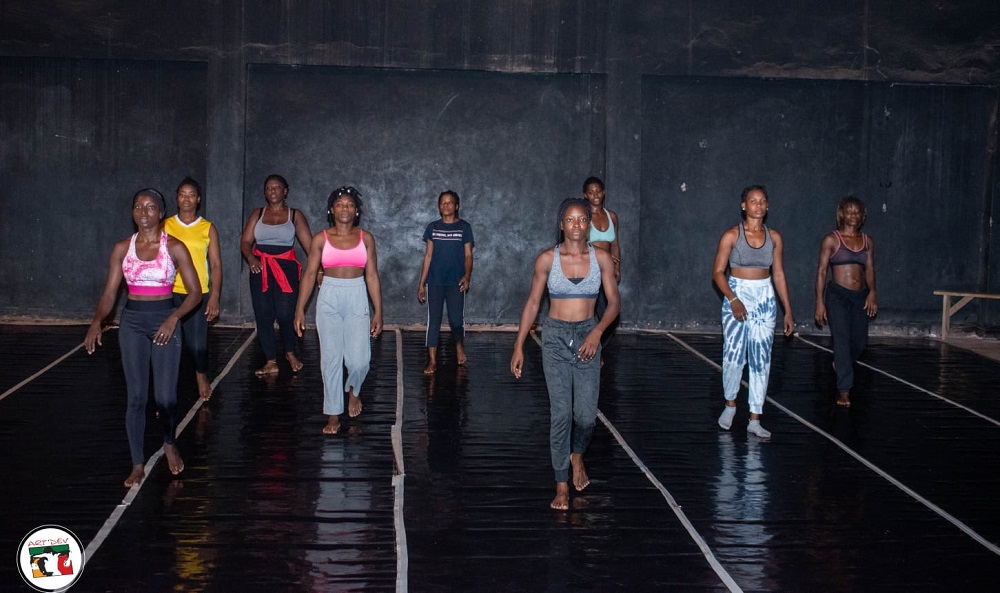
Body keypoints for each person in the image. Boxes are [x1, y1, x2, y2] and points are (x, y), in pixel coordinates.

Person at [85, 188, 202, 487]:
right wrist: (97, 321)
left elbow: (195, 293)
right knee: (136, 397)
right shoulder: (121, 248)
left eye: (150, 207)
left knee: (166, 397)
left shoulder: (174, 247)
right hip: (133, 323)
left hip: (165, 320)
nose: (143, 211)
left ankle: (168, 442)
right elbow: (111, 292)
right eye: (138, 206)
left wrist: (173, 319)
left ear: (161, 213)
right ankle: (137, 463)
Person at [510, 198, 620, 510]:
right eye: (570, 220)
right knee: (561, 414)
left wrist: (597, 332)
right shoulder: (547, 259)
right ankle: (561, 484)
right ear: (561, 225)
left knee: (585, 416)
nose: (576, 225)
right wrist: (519, 345)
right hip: (555, 337)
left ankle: (577, 457)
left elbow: (614, 303)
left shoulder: (602, 259)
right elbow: (533, 302)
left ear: (588, 225)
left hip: (588, 334)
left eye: (582, 220)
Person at [295, 186, 383, 435]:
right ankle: (333, 413)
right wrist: (300, 309)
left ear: (356, 211)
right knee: (331, 360)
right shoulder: (320, 238)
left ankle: (354, 391)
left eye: (350, 205)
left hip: (356, 294)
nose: (345, 208)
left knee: (359, 360)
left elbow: (373, 276)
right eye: (340, 204)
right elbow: (310, 274)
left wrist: (378, 311)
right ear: (331, 209)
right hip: (329, 297)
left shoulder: (366, 238)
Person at [711, 185, 794, 439]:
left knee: (761, 360)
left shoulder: (775, 237)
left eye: (762, 201)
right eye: (752, 201)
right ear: (743, 205)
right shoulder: (731, 236)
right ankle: (730, 404)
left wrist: (788, 310)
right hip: (737, 292)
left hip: (764, 297)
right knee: (734, 356)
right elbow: (717, 273)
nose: (758, 205)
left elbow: (778, 274)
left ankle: (755, 418)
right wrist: (733, 299)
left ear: (767, 206)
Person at [240, 174, 312, 376]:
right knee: (263, 314)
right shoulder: (258, 213)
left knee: (285, 314)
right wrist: (251, 259)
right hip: (260, 267)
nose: (273, 191)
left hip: (285, 269)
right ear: (265, 192)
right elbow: (245, 242)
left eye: (277, 187)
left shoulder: (295, 215)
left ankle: (289, 352)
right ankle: (271, 360)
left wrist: (320, 269)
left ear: (285, 191)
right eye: (269, 188)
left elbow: (311, 246)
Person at [814, 196, 877, 407]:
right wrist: (819, 303)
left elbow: (869, 270)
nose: (852, 215)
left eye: (856, 212)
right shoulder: (831, 240)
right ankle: (844, 391)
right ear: (841, 213)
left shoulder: (867, 241)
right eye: (849, 211)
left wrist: (872, 293)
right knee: (841, 340)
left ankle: (841, 364)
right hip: (837, 295)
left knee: (859, 343)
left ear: (862, 216)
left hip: (860, 297)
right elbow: (822, 272)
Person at [164, 177, 222, 400]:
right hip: (169, 292)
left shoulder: (207, 228)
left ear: (198, 199)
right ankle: (166, 388)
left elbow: (215, 264)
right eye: (182, 194)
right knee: (167, 342)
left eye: (191, 194)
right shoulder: (165, 225)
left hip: (197, 294)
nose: (186, 198)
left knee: (197, 343)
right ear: (177, 199)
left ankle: (200, 375)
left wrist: (214, 295)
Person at [416, 190, 474, 374]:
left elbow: (468, 255)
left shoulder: (464, 228)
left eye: (450, 202)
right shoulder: (432, 228)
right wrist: (421, 283)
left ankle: (458, 346)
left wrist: (467, 276)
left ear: (456, 206)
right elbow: (428, 256)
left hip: (456, 282)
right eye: (442, 202)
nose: (446, 205)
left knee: (456, 321)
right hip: (435, 282)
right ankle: (432, 361)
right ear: (438, 206)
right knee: (434, 321)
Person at [583, 177, 621, 350]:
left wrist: (617, 267)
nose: (595, 195)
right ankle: (591, 351)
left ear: (604, 192)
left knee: (612, 314)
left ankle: (597, 348)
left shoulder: (611, 216)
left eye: (598, 191)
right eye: (591, 192)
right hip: (589, 269)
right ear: (585, 195)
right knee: (589, 313)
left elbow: (615, 244)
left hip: (607, 271)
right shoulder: (583, 217)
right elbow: (578, 243)